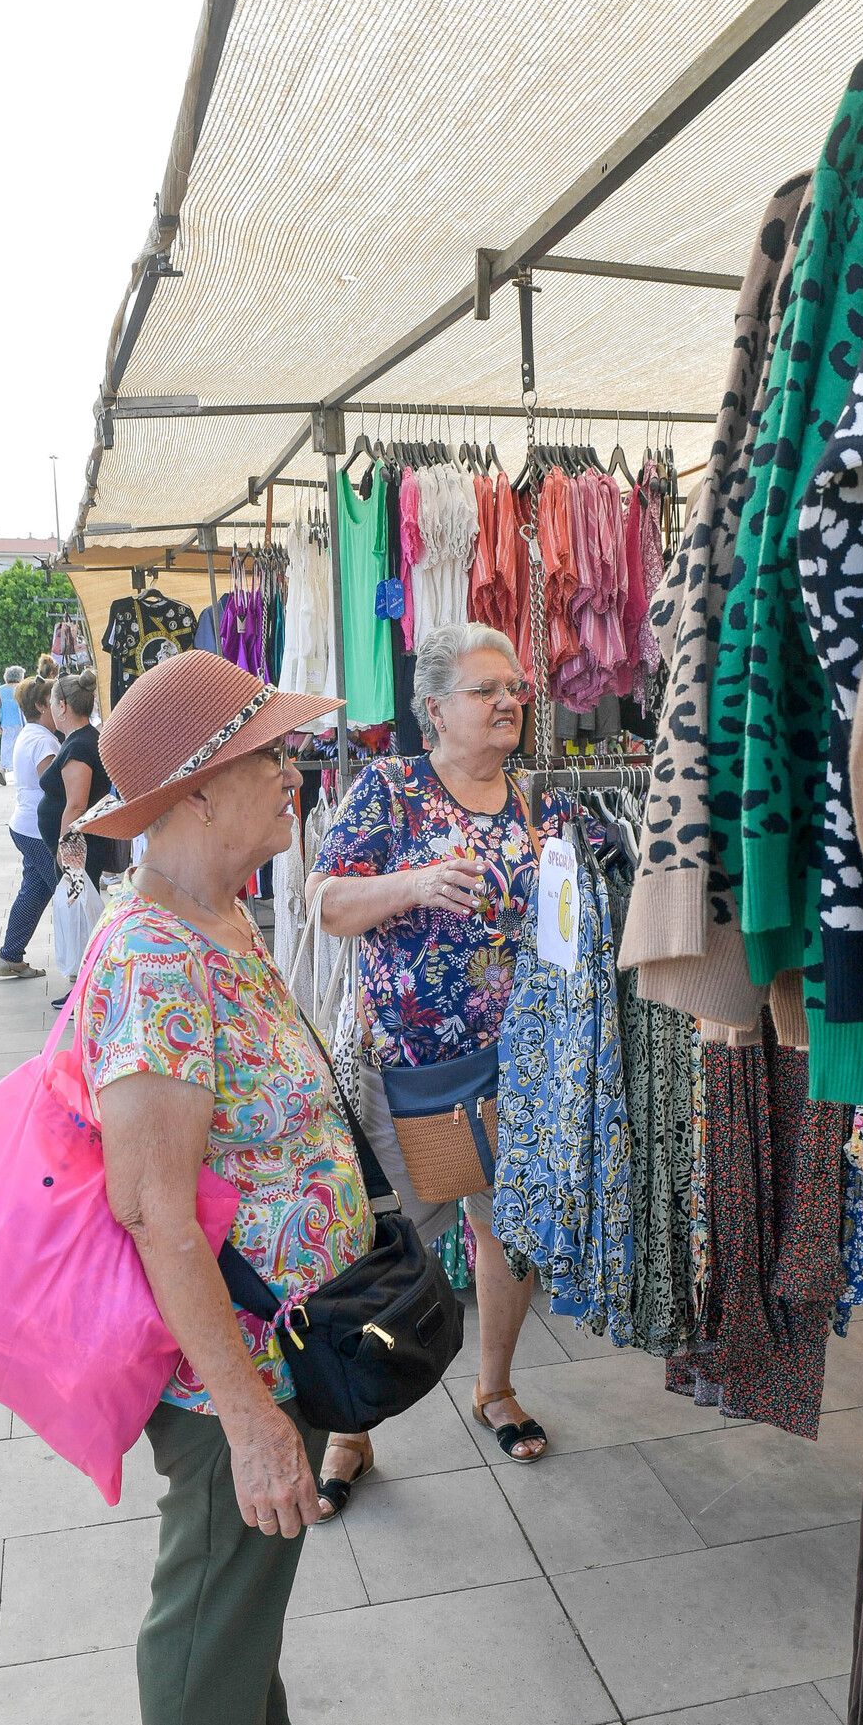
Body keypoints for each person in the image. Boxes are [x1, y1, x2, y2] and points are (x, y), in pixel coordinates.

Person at [71, 649, 378, 1725]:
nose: (295, 778)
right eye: (272, 759)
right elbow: (152, 1209)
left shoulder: (223, 915)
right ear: (197, 791)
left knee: (255, 1570)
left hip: (280, 1334)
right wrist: (249, 1418)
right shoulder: (151, 961)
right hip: (222, 1368)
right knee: (204, 1606)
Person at [309, 620, 549, 1518]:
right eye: (487, 690)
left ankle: (495, 1390)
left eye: (515, 688)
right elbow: (325, 900)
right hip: (411, 1072)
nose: (507, 702)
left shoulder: (537, 803)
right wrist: (409, 887)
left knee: (507, 1231)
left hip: (517, 1068)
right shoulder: (392, 790)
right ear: (435, 708)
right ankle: (350, 1429)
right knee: (377, 1247)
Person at [0, 677, 58, 981]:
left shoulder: (31, 733)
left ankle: (10, 956)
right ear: (41, 705)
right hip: (37, 827)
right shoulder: (44, 740)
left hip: (26, 824)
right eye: (54, 700)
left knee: (35, 889)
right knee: (69, 894)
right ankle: (83, 966)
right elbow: (55, 786)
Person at [39, 669, 111, 886]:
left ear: (62, 706)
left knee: (78, 914)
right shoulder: (80, 739)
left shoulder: (79, 745)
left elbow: (77, 805)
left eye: (52, 703)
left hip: (80, 849)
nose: (50, 708)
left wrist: (66, 852)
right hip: (83, 846)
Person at [0, 664, 25, 780]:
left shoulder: (1, 689)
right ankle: (20, 771)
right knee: (20, 746)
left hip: (6, 722)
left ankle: (2, 769)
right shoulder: (21, 688)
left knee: (6, 745)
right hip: (21, 722)